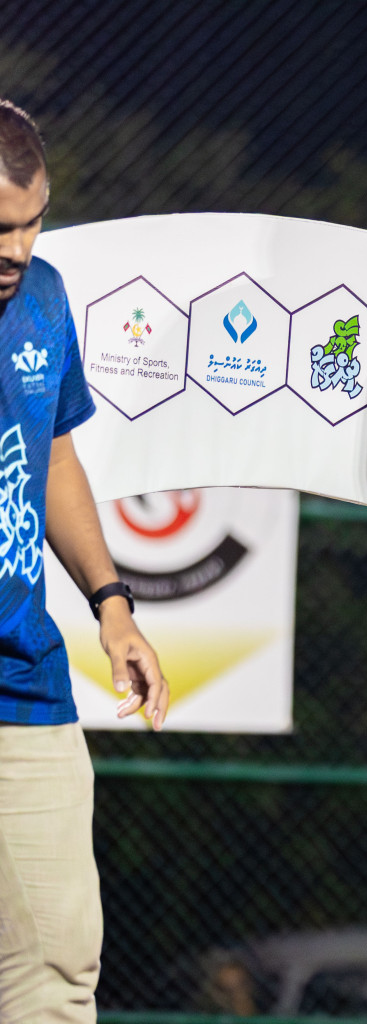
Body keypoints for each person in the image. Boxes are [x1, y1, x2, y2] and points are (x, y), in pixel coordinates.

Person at [0, 101, 169, 1024]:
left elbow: (54, 451)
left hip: (25, 683)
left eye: (31, 223)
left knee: (59, 972)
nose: (17, 250)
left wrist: (112, 606)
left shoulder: (45, 295)